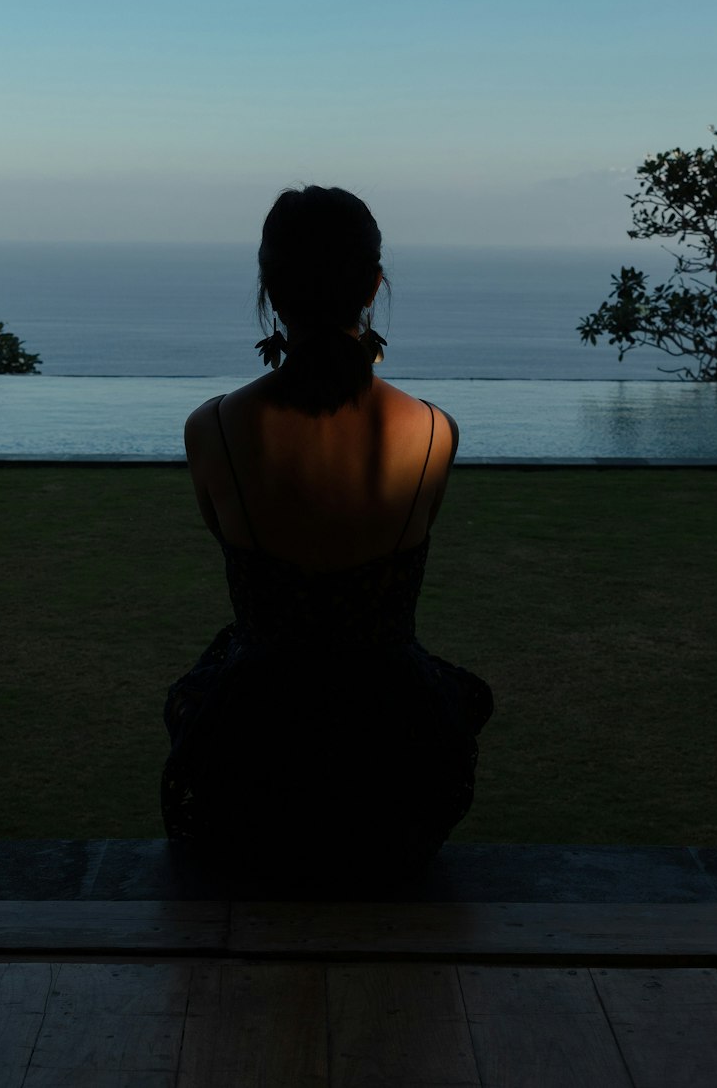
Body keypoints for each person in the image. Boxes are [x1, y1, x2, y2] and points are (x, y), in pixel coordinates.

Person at [161, 185, 493, 888]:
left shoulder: (212, 429)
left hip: (252, 762)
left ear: (269, 289)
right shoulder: (434, 431)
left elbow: (226, 532)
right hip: (397, 771)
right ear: (373, 284)